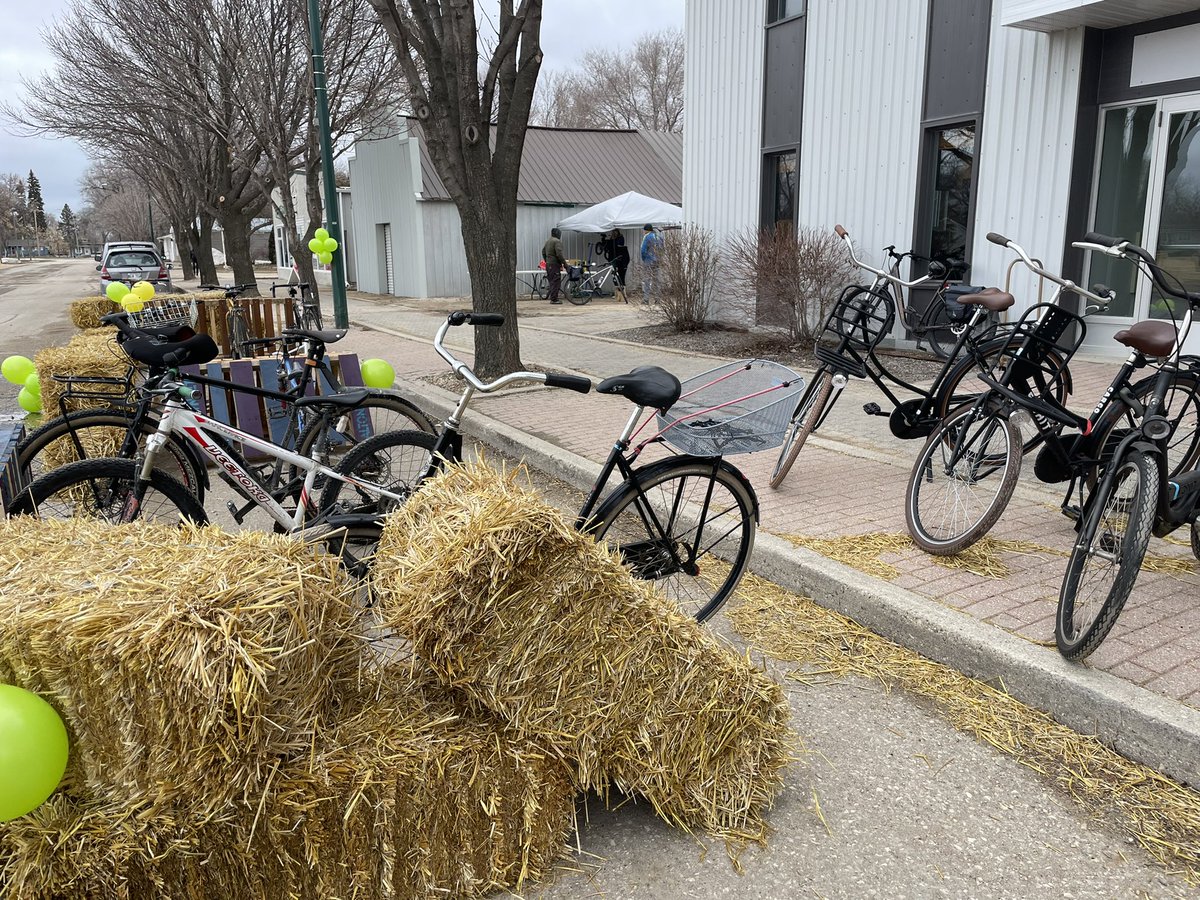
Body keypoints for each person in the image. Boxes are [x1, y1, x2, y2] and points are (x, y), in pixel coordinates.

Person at [542, 226, 567, 305]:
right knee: (556, 281)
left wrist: (547, 260)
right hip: (554, 264)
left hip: (548, 264)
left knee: (552, 281)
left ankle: (553, 297)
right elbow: (559, 254)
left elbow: (543, 252)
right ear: (557, 234)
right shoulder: (556, 241)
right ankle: (554, 299)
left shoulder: (548, 241)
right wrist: (565, 263)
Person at [640, 223, 663, 304]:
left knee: (647, 280)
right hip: (657, 260)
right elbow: (662, 249)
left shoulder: (647, 237)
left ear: (646, 230)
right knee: (657, 280)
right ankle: (657, 299)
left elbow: (643, 250)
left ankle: (646, 299)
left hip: (649, 261)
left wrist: (644, 259)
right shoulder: (659, 237)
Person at [611, 231, 631, 304]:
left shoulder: (621, 248)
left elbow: (626, 258)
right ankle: (618, 294)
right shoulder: (613, 244)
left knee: (621, 278)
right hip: (616, 262)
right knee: (615, 278)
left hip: (621, 263)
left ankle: (622, 294)